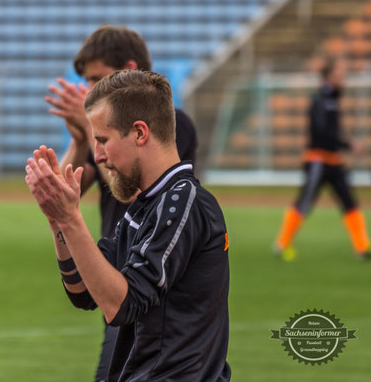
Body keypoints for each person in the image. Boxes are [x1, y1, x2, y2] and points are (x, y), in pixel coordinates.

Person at [26, 70, 230, 382]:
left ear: (139, 133)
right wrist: (58, 221)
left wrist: (71, 218)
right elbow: (83, 292)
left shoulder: (183, 203)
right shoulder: (147, 204)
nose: (98, 156)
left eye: (103, 140)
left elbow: (121, 304)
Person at [44, 25, 198, 381]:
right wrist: (82, 137)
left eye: (98, 79)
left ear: (128, 69)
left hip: (153, 287)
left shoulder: (175, 126)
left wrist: (90, 121)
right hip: (113, 267)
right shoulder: (106, 140)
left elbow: (135, 191)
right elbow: (69, 191)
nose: (90, 92)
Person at [274, 59, 371, 261]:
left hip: (333, 161)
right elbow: (322, 133)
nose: (343, 77)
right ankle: (282, 244)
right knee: (305, 202)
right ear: (329, 77)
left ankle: (362, 248)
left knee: (350, 203)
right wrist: (348, 144)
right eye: (339, 73)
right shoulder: (321, 100)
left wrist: (342, 147)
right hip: (318, 160)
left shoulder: (333, 99)